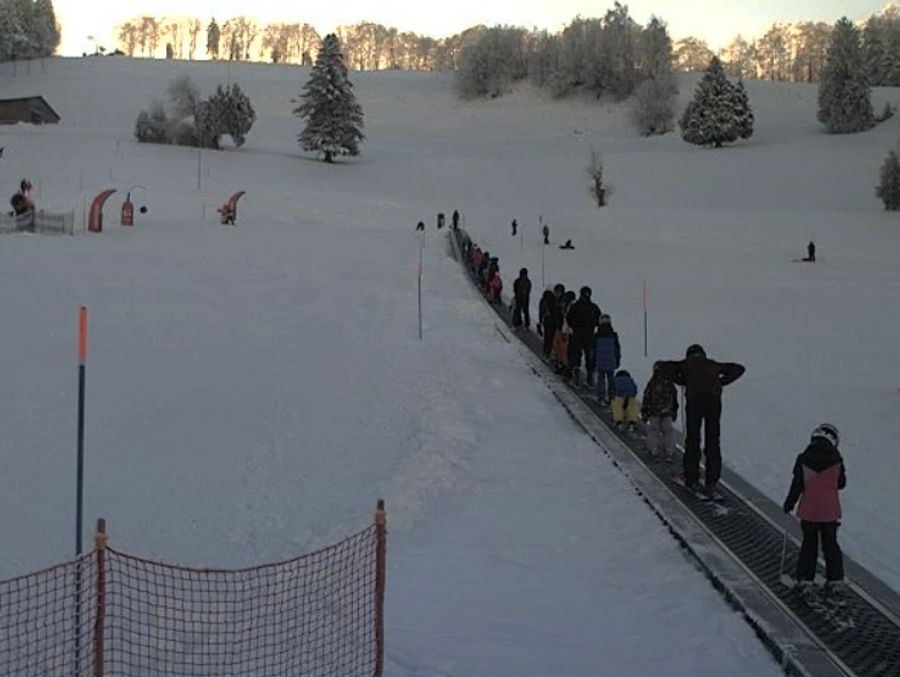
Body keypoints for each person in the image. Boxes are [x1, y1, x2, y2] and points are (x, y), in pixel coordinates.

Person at [659, 345, 745, 496]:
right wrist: (719, 382)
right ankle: (712, 481)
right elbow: (739, 368)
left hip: (695, 401)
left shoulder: (685, 364)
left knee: (693, 440)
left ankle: (691, 479)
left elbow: (662, 367)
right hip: (713, 401)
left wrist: (681, 380)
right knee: (713, 440)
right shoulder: (712, 364)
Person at [783, 423, 846, 599]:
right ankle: (835, 578)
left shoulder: (804, 458)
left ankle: (805, 579)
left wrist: (790, 502)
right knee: (830, 543)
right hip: (830, 510)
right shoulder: (837, 459)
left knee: (809, 544)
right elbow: (841, 483)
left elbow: (798, 484)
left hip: (810, 509)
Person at [641, 362, 679, 460]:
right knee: (668, 430)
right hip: (668, 411)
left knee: (653, 430)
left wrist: (645, 410)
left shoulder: (652, 382)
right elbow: (674, 397)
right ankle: (669, 450)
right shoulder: (669, 383)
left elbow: (647, 396)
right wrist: (675, 409)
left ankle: (653, 449)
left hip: (654, 411)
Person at [566, 286, 601, 386]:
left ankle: (576, 377)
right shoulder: (594, 307)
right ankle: (590, 378)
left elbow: (569, 318)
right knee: (589, 356)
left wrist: (574, 326)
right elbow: (599, 319)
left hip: (577, 334)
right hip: (589, 335)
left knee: (576, 356)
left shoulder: (575, 306)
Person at [594, 314, 621, 404]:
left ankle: (601, 396)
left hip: (600, 360)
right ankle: (612, 396)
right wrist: (617, 359)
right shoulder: (614, 335)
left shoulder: (597, 335)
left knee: (601, 378)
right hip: (611, 360)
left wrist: (593, 360)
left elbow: (593, 349)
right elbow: (617, 349)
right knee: (611, 379)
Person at [553, 290, 575, 376]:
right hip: (564, 329)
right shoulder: (566, 306)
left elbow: (566, 319)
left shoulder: (570, 307)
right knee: (560, 348)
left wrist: (564, 330)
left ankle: (565, 367)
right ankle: (563, 365)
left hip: (566, 331)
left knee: (563, 349)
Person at [538, 288, 557, 358]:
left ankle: (546, 353)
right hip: (555, 321)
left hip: (547, 321)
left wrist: (540, 322)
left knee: (547, 338)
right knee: (553, 338)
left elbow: (541, 312)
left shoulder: (543, 300)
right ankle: (554, 353)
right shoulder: (555, 299)